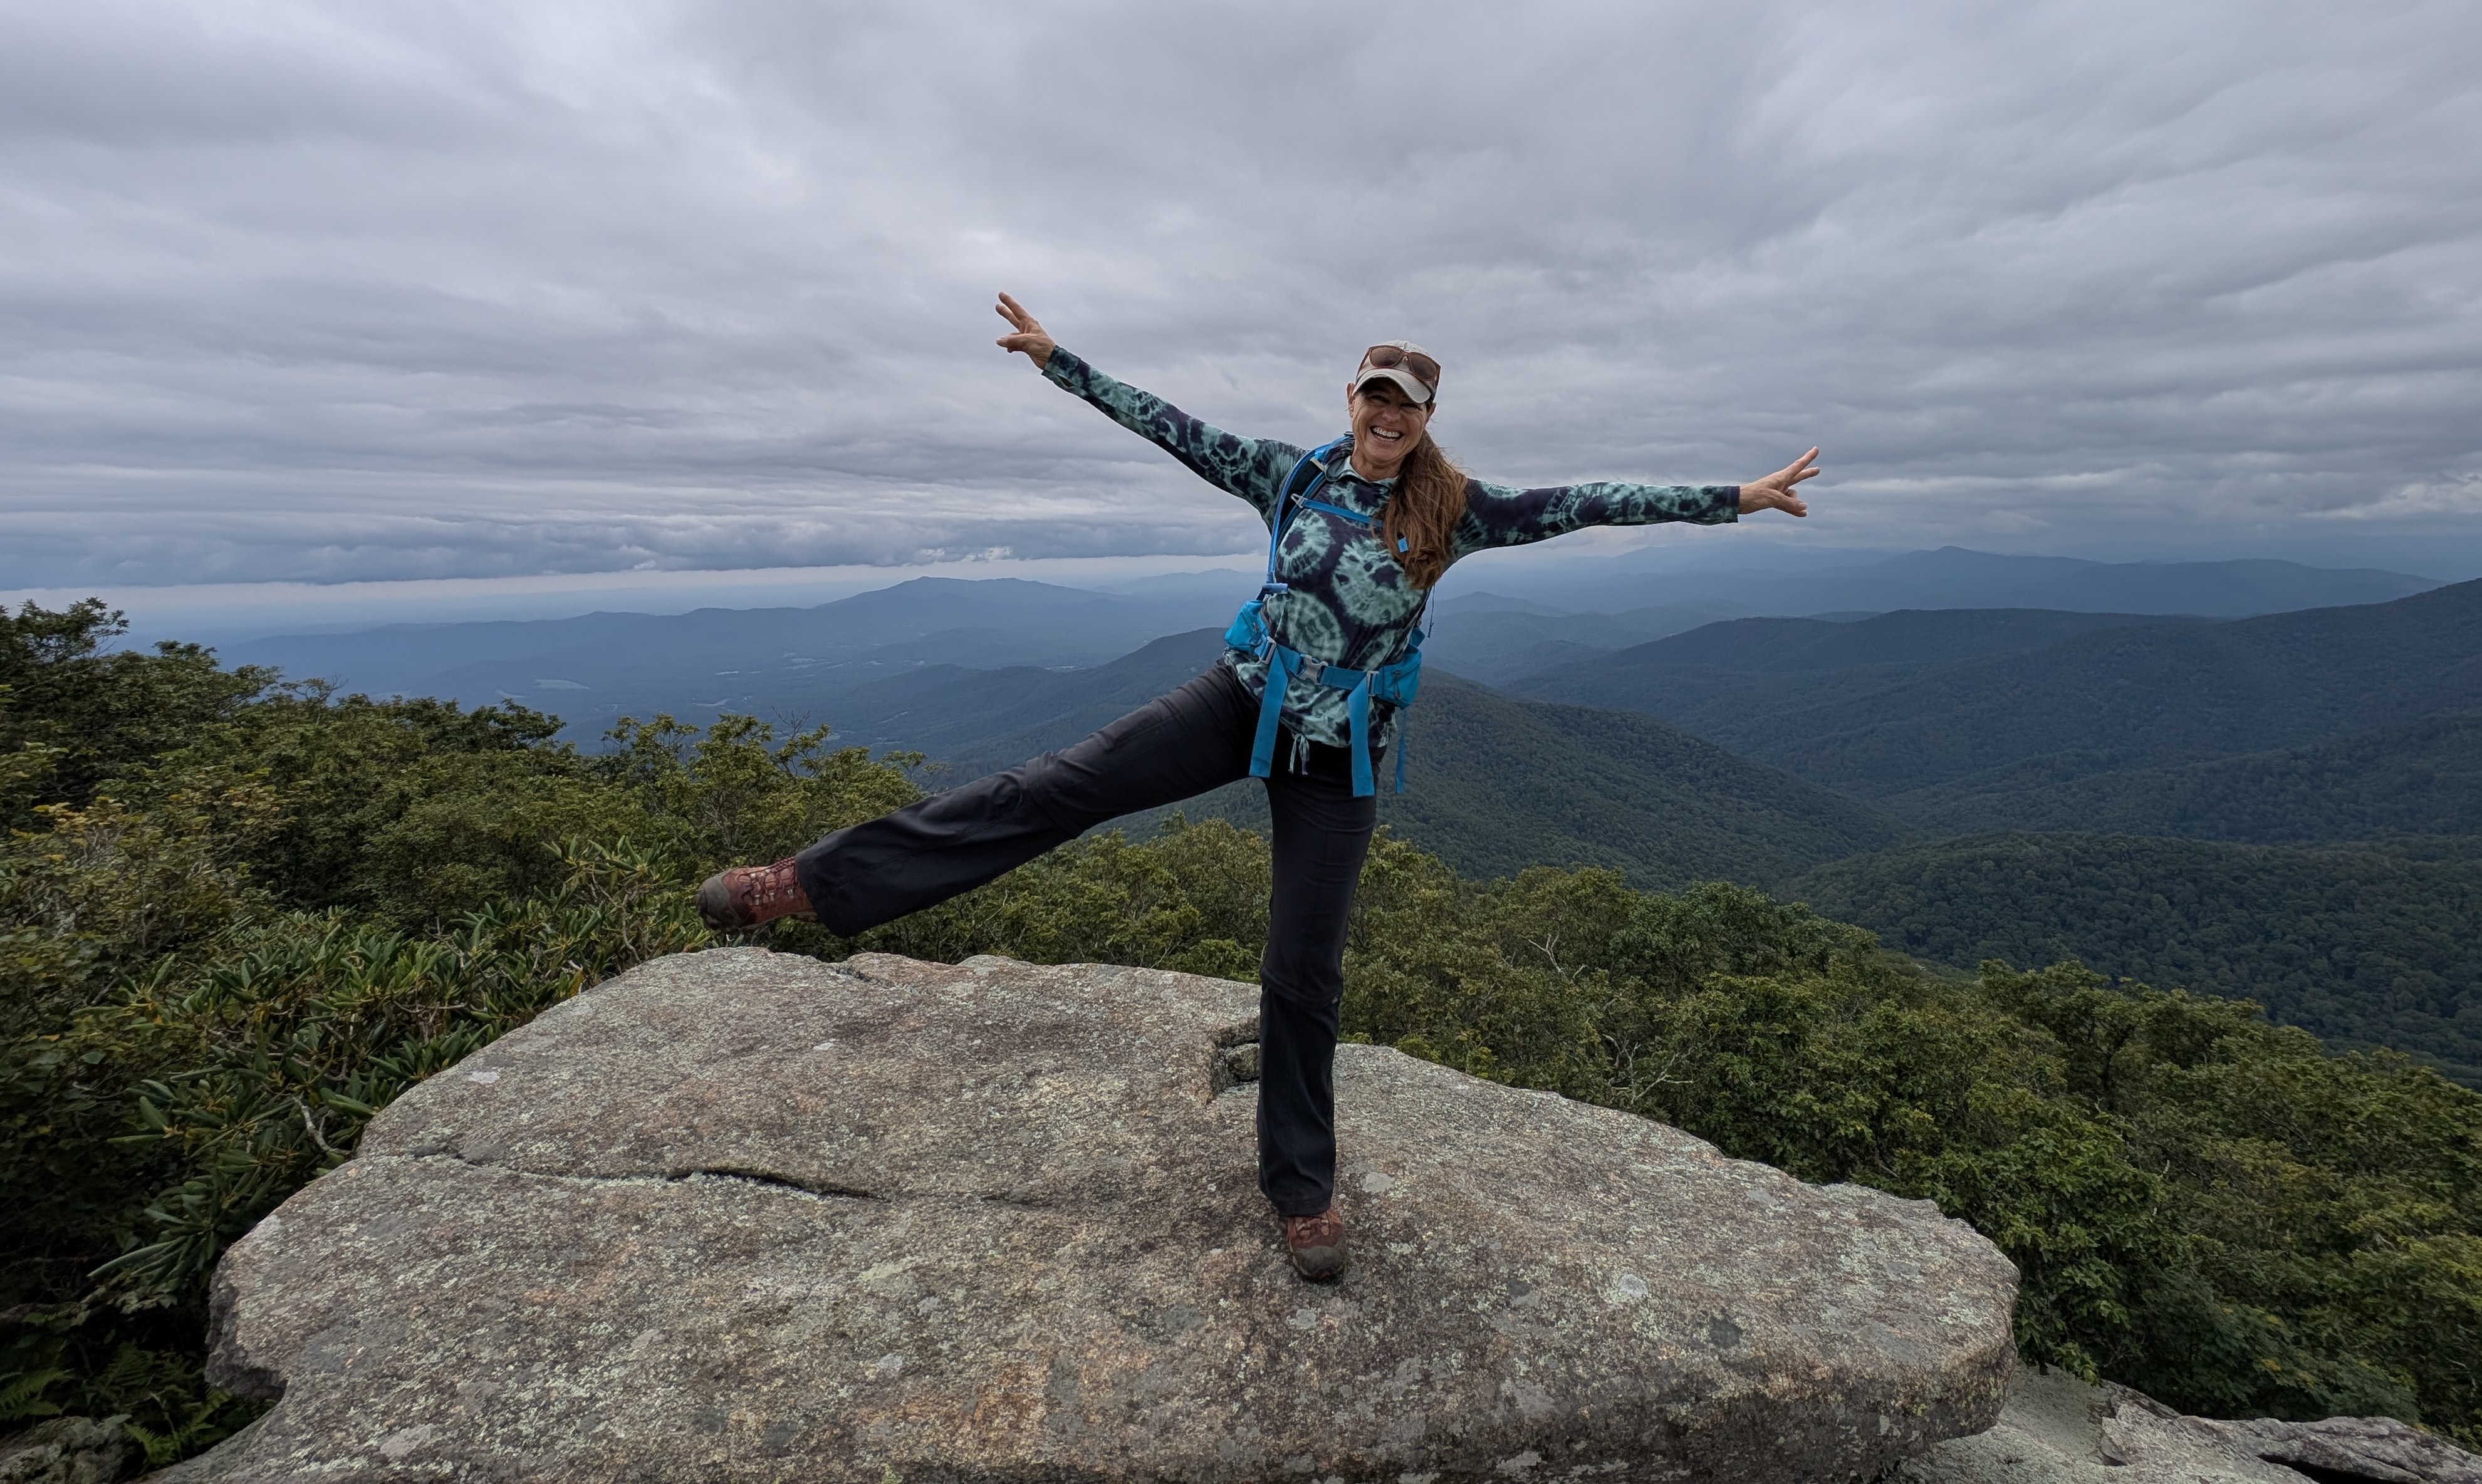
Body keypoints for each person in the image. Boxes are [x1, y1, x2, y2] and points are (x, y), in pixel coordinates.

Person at [697, 293, 1820, 1281]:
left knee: (1303, 971)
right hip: (1240, 696)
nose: (1389, 416)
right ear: (1351, 397)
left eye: (1410, 405)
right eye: (1377, 396)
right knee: (1050, 789)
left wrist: (1737, 495)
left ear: (1429, 418)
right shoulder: (1292, 472)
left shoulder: (1457, 510)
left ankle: (1301, 1190)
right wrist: (1061, 362)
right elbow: (1174, 429)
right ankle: (806, 884)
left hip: (1344, 751)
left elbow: (1593, 502)